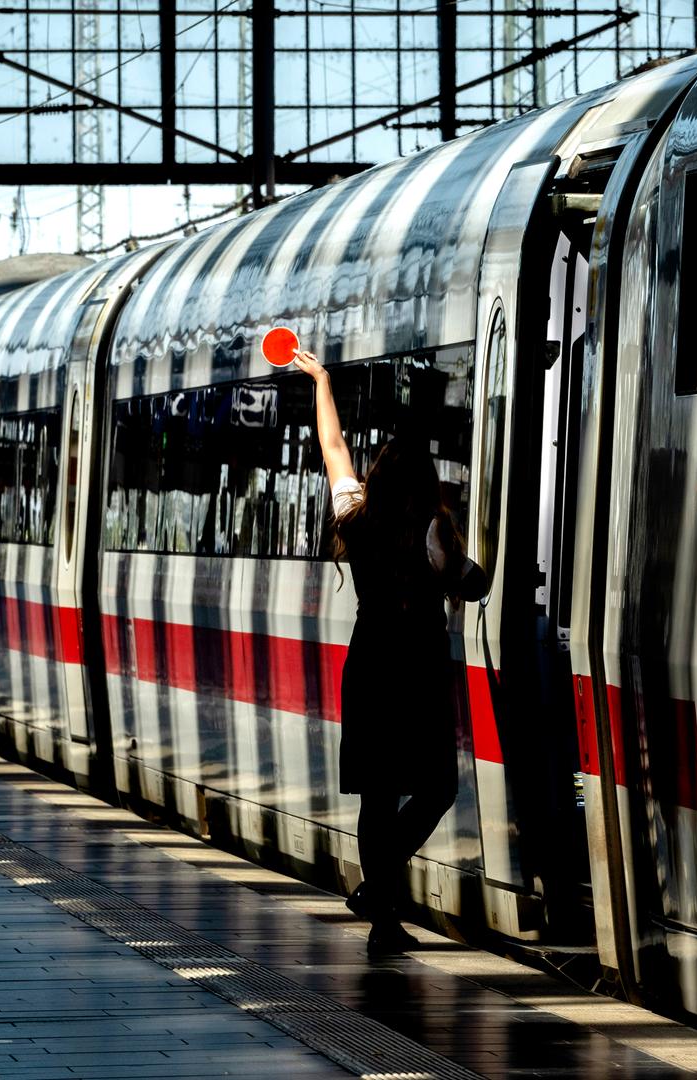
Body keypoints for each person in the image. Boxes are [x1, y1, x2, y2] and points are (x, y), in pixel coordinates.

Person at [292, 349, 488, 954]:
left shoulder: (357, 514)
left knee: (378, 795)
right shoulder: (435, 531)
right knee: (434, 789)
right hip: (420, 673)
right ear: (427, 485)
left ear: (378, 477)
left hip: (370, 666)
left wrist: (323, 383)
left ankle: (383, 912)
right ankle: (378, 890)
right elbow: (474, 582)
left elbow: (332, 450)